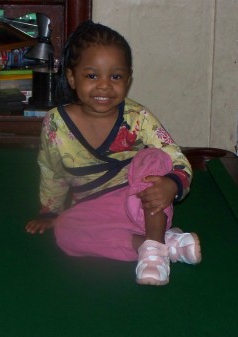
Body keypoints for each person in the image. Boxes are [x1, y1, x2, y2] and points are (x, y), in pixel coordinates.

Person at [25, 20, 201, 286]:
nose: (104, 86)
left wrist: (173, 184)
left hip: (143, 201)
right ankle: (163, 245)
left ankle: (154, 246)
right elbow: (52, 171)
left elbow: (174, 156)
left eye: (115, 76)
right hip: (95, 209)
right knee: (65, 232)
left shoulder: (137, 116)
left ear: (128, 79)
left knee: (152, 158)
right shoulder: (55, 125)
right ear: (72, 78)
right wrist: (50, 212)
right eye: (92, 76)